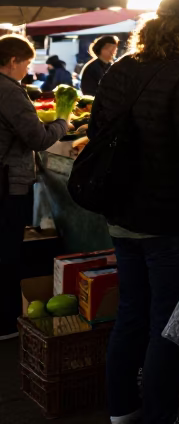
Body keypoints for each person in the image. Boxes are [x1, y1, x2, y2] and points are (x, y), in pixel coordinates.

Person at [87, 0, 179, 424]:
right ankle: (159, 417)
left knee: (130, 316)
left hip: (122, 217)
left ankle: (122, 411)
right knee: (167, 327)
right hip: (168, 223)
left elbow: (96, 133)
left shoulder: (119, 70)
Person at [0, 34, 68, 339]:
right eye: (26, 63)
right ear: (13, 61)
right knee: (7, 253)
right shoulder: (9, 92)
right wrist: (63, 122)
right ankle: (4, 323)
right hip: (7, 186)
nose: (27, 70)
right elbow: (38, 138)